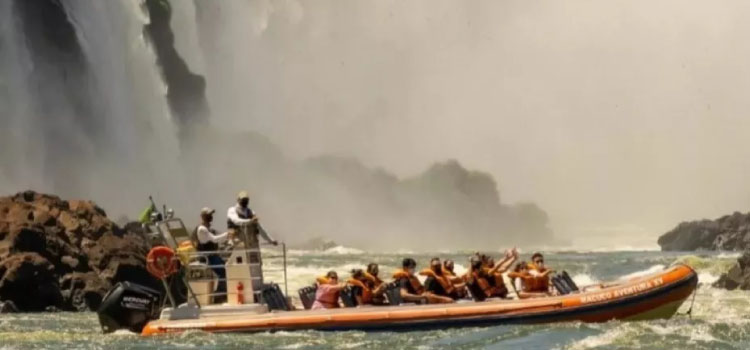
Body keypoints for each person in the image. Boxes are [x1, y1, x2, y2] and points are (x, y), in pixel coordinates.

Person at [195, 207, 230, 301]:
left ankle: (223, 292)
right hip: (207, 258)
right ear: (203, 217)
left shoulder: (208, 228)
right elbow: (214, 239)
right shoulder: (202, 229)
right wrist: (228, 234)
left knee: (227, 267)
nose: (211, 217)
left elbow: (216, 239)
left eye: (211, 215)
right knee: (224, 271)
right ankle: (220, 295)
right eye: (209, 215)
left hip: (212, 256)